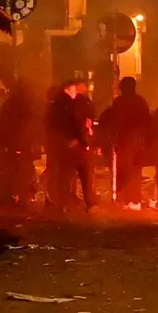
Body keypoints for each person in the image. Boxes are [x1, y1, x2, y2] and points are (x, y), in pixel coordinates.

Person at [99, 77, 152, 210]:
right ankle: (135, 200)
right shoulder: (141, 101)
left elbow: (113, 120)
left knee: (125, 169)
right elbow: (148, 121)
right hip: (138, 140)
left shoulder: (119, 102)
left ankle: (127, 199)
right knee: (135, 170)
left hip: (125, 140)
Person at [46, 79, 97, 214]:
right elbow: (72, 124)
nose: (76, 91)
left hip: (72, 144)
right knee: (80, 175)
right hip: (73, 144)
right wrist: (81, 137)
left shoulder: (64, 103)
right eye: (74, 88)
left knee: (70, 176)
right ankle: (86, 204)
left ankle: (67, 204)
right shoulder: (67, 104)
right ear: (67, 89)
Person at [0, 79, 37, 206]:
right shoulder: (24, 104)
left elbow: (3, 122)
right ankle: (20, 194)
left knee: (13, 168)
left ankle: (13, 194)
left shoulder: (9, 104)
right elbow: (28, 124)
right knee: (21, 168)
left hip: (13, 142)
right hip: (19, 142)